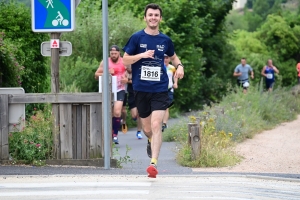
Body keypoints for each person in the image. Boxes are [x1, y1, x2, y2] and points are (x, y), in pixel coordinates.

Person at [122, 3, 184, 178]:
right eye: (150, 15)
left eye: (156, 15)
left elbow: (173, 57)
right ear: (145, 17)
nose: (153, 18)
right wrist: (141, 56)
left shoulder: (165, 40)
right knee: (148, 129)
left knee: (157, 125)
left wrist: (179, 66)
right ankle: (150, 140)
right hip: (141, 89)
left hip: (159, 89)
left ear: (160, 18)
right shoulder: (136, 38)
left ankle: (153, 164)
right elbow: (125, 60)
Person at [95, 45, 127, 144]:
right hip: (108, 89)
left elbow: (129, 76)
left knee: (117, 112)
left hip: (120, 89)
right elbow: (96, 75)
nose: (113, 55)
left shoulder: (124, 62)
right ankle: (107, 134)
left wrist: (126, 80)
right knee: (109, 113)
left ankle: (115, 135)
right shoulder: (105, 62)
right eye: (111, 54)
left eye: (115, 54)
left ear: (119, 53)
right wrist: (107, 72)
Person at [126, 65, 143, 139]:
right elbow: (125, 79)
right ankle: (134, 118)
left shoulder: (141, 67)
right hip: (132, 92)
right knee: (134, 114)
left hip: (141, 92)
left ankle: (139, 131)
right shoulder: (126, 66)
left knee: (140, 114)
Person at [162, 54, 178, 132]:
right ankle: (159, 121)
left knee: (166, 106)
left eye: (167, 58)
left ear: (169, 59)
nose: (165, 59)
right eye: (164, 58)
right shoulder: (159, 67)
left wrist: (175, 83)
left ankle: (164, 123)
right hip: (160, 89)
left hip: (169, 89)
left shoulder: (172, 68)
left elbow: (175, 76)